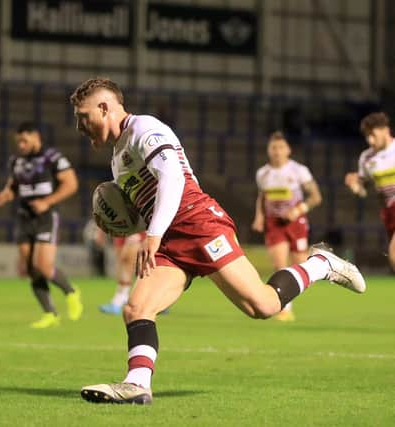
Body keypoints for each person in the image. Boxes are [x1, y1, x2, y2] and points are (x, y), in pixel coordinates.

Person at [70, 77, 366, 405]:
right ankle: (137, 384)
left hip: (199, 223)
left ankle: (321, 264)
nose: (80, 126)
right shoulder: (116, 158)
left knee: (263, 306)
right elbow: (145, 205)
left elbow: (173, 178)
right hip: (170, 239)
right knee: (137, 307)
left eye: (84, 117)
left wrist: (151, 234)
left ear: (104, 107)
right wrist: (131, 225)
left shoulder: (144, 129)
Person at [0, 121, 83, 328]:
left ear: (36, 137)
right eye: (19, 142)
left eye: (25, 140)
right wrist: (6, 194)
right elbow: (13, 186)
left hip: (46, 217)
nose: (22, 145)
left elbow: (71, 184)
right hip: (24, 217)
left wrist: (47, 202)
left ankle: (71, 291)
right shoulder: (16, 161)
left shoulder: (53, 158)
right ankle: (50, 314)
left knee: (43, 266)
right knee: (30, 269)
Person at [252, 132, 322, 321]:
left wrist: (298, 210)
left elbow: (316, 196)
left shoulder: (299, 171)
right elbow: (262, 197)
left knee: (301, 264)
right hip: (274, 223)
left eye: (281, 147)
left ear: (288, 150)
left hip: (295, 222)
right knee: (279, 264)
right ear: (268, 150)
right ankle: (285, 308)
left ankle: (318, 266)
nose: (277, 152)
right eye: (273, 148)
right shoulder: (263, 173)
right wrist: (259, 217)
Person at [345, 112, 395, 272]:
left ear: (385, 130)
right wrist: (355, 185)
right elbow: (362, 191)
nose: (370, 140)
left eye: (373, 134)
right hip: (389, 212)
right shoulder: (366, 158)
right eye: (367, 136)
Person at [99, 231, 145, 315]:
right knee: (122, 262)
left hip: (137, 228)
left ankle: (121, 299)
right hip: (121, 228)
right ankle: (120, 297)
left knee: (129, 261)